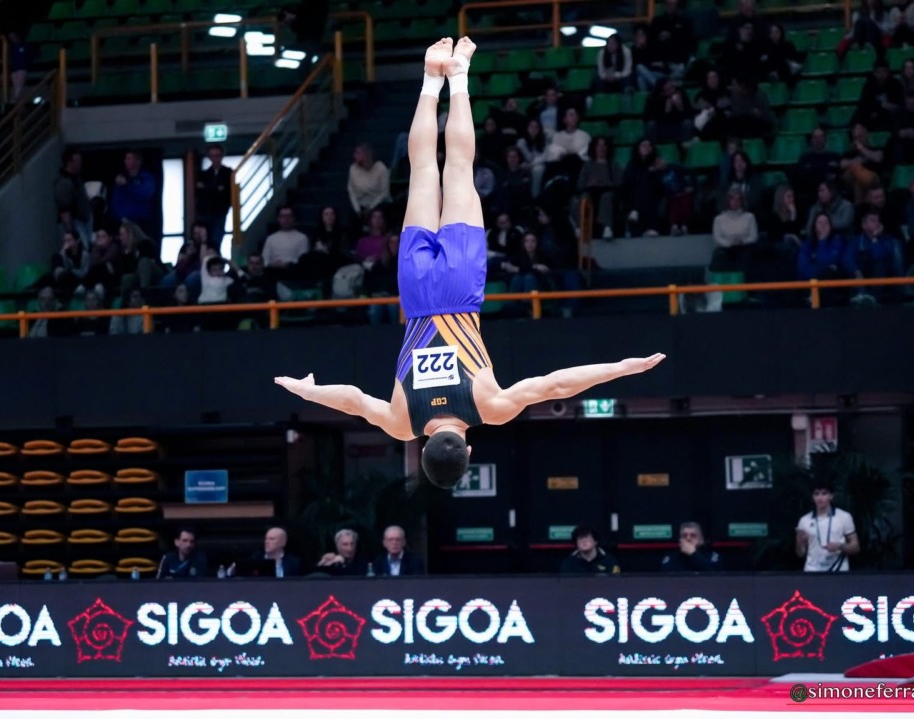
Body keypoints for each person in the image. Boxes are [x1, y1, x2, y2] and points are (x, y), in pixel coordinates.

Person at [275, 38, 666, 489]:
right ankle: (430, 78)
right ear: (420, 450)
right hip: (418, 294)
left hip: (459, 289)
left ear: (469, 449)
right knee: (423, 171)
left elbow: (556, 385)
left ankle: (458, 73)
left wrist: (624, 368)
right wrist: (306, 389)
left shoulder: (489, 407)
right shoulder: (403, 422)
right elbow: (351, 401)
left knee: (458, 168)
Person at [795, 480, 860, 572]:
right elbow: (800, 554)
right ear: (812, 497)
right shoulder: (804, 520)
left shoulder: (844, 517)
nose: (820, 498)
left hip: (838, 571)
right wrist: (800, 542)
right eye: (816, 494)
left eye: (824, 493)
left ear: (831, 496)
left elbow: (856, 547)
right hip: (812, 571)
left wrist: (840, 546)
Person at [659, 522, 723, 572]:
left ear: (701, 540)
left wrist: (693, 554)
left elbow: (714, 575)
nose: (688, 538)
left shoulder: (712, 556)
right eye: (684, 535)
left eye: (693, 535)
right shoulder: (670, 558)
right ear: (680, 539)